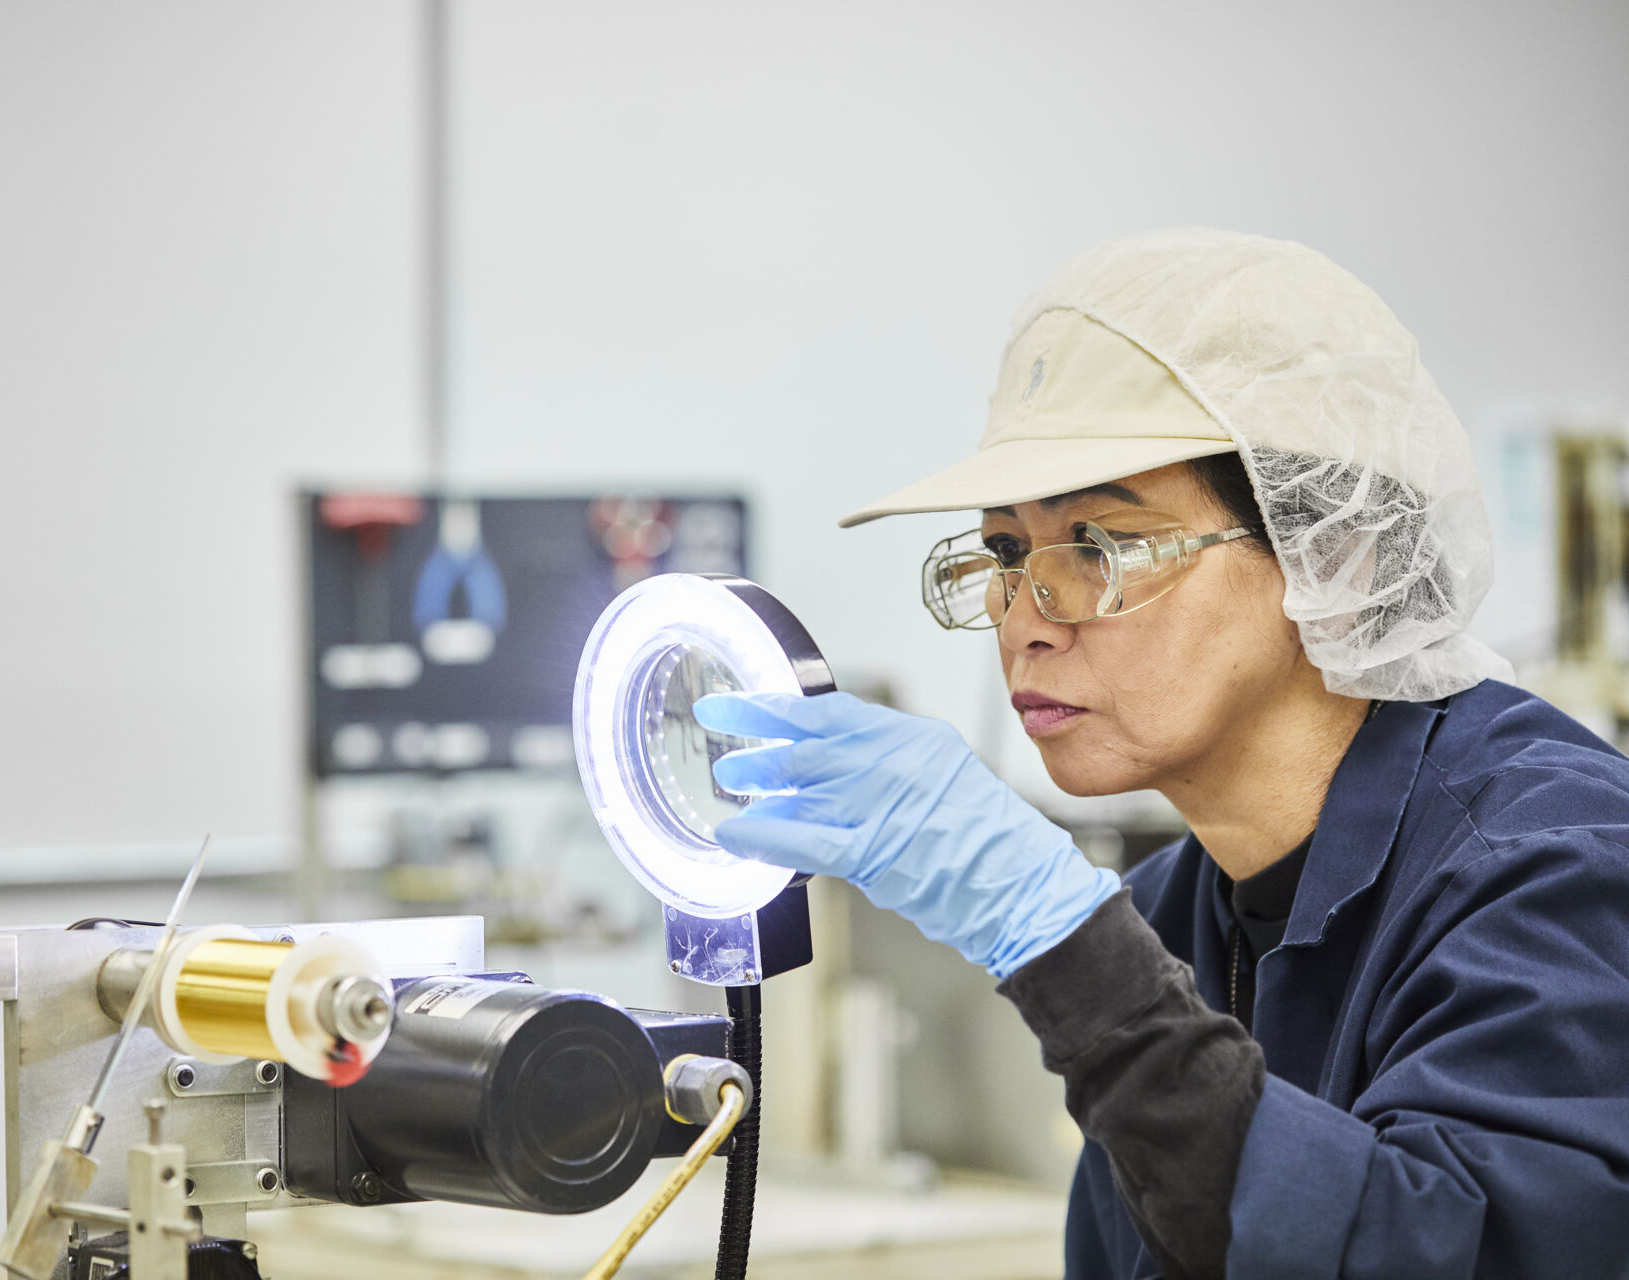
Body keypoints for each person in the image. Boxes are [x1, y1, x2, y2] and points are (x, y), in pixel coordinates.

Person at [691, 228, 1629, 1278]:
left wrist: (1060, 941)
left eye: (1100, 547)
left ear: (1330, 550)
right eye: (1006, 552)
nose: (1027, 619)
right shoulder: (1181, 909)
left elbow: (1455, 1253)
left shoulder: (1556, 868)